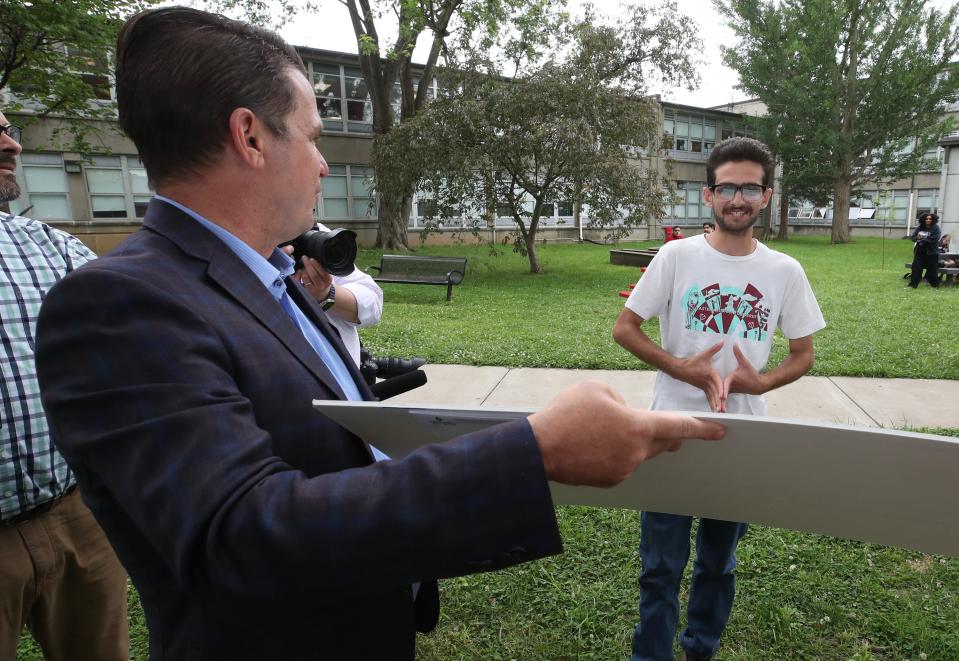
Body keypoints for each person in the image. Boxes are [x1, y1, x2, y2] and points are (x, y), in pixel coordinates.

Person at [33, 8, 725, 659]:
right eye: (308, 135)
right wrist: (530, 450)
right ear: (248, 135)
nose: (324, 162)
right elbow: (241, 533)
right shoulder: (119, 303)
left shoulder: (271, 272)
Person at [613, 137, 825, 661]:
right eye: (726, 187)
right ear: (708, 195)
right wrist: (681, 367)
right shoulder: (676, 256)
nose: (737, 198)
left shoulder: (783, 271)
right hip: (669, 432)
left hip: (741, 435)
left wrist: (762, 383)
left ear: (766, 196)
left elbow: (803, 353)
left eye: (749, 188)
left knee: (717, 563)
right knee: (660, 566)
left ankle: (699, 650)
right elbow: (625, 329)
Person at [0, 112, 129, 660]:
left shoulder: (51, 248)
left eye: (9, 131)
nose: (13, 146)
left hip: (76, 515)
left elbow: (133, 339)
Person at [291, 222, 383, 366]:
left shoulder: (312, 234)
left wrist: (326, 294)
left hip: (342, 377)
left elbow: (372, 304)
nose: (315, 199)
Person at [908, 212, 942, 288]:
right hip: (920, 252)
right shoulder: (920, 227)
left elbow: (934, 239)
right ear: (923, 219)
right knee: (916, 268)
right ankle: (913, 285)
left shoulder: (935, 228)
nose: (928, 220)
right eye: (926, 219)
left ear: (933, 220)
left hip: (932, 253)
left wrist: (922, 239)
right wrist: (917, 238)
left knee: (932, 270)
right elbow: (913, 238)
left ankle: (935, 285)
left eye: (930, 219)